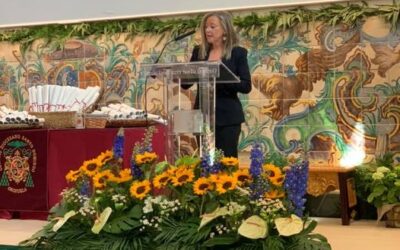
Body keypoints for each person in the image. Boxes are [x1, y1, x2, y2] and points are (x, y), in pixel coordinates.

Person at [182, 11, 252, 157]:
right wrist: (177, 76)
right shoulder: (199, 52)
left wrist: (222, 77)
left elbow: (246, 86)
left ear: (225, 29)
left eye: (213, 27)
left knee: (227, 164)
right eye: (206, 27)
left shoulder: (237, 53)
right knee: (205, 163)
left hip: (227, 118)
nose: (208, 30)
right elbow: (187, 84)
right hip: (202, 116)